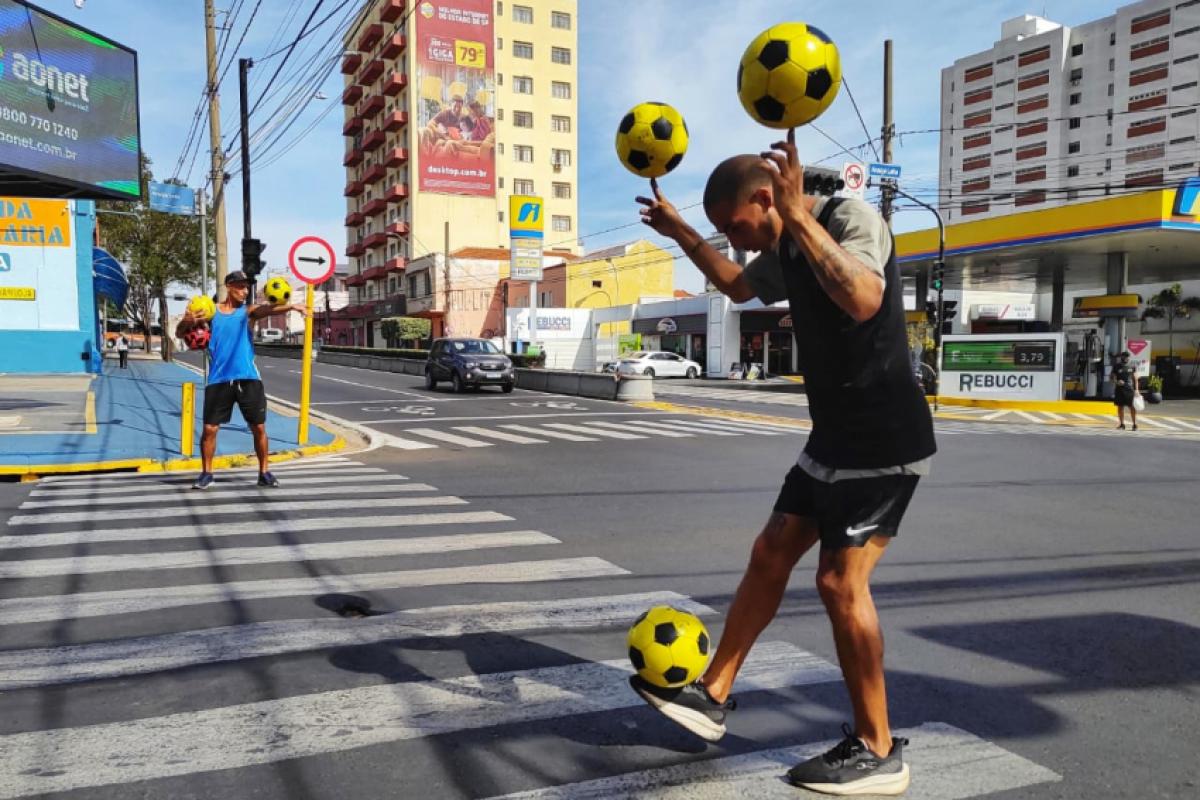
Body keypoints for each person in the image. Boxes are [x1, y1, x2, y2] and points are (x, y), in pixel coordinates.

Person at [631, 130, 936, 796]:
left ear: (768, 198)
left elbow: (861, 298)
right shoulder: (779, 244)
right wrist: (684, 233)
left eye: (736, 226)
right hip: (833, 438)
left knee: (837, 583)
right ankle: (713, 694)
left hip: (885, 438)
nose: (737, 242)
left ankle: (879, 748)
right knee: (770, 553)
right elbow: (739, 287)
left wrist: (801, 217)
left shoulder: (849, 219)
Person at [175, 271, 309, 490]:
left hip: (248, 378)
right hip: (219, 379)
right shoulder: (210, 313)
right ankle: (207, 473)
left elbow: (266, 309)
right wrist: (186, 321)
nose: (245, 291)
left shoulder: (247, 313)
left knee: (259, 428)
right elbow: (181, 333)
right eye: (240, 287)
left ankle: (264, 472)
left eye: (247, 288)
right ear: (229, 286)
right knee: (210, 429)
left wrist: (292, 307)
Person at [1112, 351, 1139, 430]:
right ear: (1122, 357)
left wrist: (1137, 390)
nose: (1126, 358)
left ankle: (1134, 424)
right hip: (1119, 389)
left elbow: (1136, 379)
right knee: (1120, 407)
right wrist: (1117, 382)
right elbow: (1112, 377)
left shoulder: (1132, 366)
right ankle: (1122, 424)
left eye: (1127, 356)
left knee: (1132, 407)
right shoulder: (1116, 366)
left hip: (1129, 390)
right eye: (1124, 356)